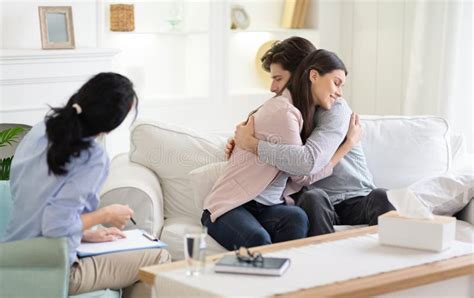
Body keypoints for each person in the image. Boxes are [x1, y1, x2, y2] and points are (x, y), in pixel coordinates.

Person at [1, 73, 171, 297]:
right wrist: (106, 214)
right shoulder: (92, 157)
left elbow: (34, 204)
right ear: (112, 125)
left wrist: (85, 234)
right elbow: (55, 225)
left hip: (15, 258)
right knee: (159, 256)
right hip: (56, 270)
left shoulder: (41, 130)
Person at [202, 48, 361, 251]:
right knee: (259, 240)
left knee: (297, 219)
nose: (339, 93)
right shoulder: (284, 111)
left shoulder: (311, 113)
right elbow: (305, 165)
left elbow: (302, 173)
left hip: (269, 205)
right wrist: (246, 143)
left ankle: (291, 279)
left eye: (278, 78)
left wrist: (348, 144)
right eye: (336, 83)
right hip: (233, 204)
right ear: (313, 75)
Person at [233, 48, 396, 236]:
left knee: (381, 195)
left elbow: (307, 162)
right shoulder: (287, 112)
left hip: (356, 197)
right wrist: (238, 139)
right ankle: (324, 258)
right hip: (320, 200)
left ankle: (389, 259)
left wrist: (252, 145)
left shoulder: (336, 109)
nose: (273, 88)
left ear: (306, 75)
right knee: (313, 197)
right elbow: (255, 121)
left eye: (278, 79)